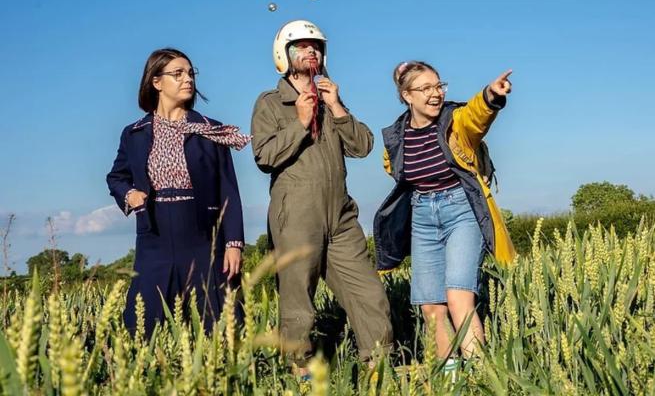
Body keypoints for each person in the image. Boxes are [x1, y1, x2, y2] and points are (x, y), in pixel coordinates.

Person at [251, 20, 393, 372]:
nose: (311, 51)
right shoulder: (270, 103)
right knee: (298, 300)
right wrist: (299, 122)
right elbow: (264, 157)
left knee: (369, 294)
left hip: (341, 215)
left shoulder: (331, 98)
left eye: (316, 46)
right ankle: (298, 371)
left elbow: (362, 146)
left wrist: (338, 107)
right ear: (283, 54)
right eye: (301, 45)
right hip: (296, 213)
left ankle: (380, 370)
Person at [374, 61, 516, 360]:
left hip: (461, 210)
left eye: (438, 86)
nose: (435, 94)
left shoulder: (455, 120)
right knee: (431, 308)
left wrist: (491, 96)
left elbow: (477, 117)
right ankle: (449, 382)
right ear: (407, 95)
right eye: (425, 88)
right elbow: (394, 169)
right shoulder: (396, 136)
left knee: (458, 298)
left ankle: (481, 377)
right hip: (423, 216)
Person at [107, 48, 250, 336]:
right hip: (154, 236)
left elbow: (228, 190)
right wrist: (129, 195)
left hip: (203, 235)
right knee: (144, 323)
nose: (188, 79)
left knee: (219, 323)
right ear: (156, 82)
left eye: (190, 73)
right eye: (178, 74)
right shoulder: (133, 133)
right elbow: (116, 177)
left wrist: (233, 243)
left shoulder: (211, 131)